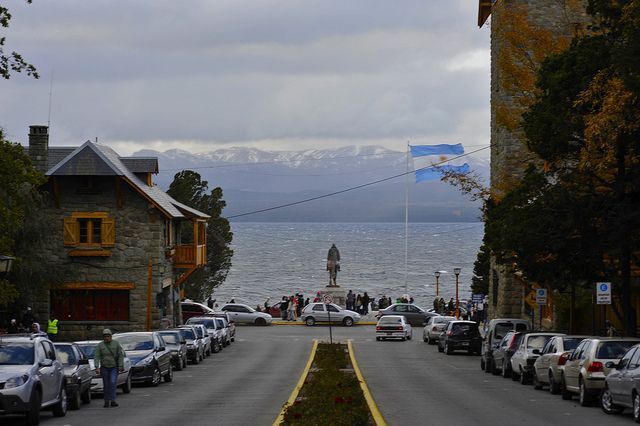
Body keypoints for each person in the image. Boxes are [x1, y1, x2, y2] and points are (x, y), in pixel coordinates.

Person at [94, 329, 125, 408]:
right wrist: (96, 367)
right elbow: (97, 356)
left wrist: (121, 366)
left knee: (112, 382)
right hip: (104, 368)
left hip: (114, 367)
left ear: (111, 336)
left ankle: (113, 400)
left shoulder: (116, 344)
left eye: (108, 336)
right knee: (106, 384)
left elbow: (120, 355)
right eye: (105, 336)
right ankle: (106, 401)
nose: (106, 338)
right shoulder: (100, 345)